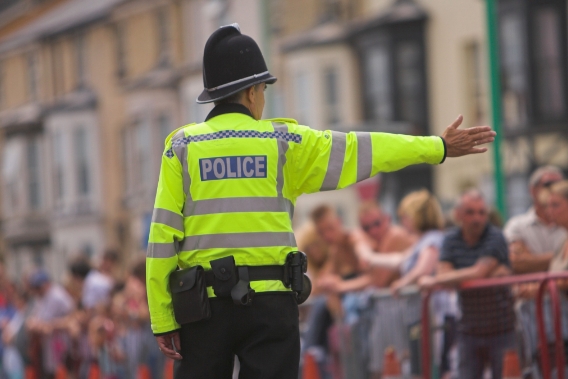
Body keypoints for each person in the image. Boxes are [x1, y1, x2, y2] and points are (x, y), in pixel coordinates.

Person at [146, 23, 496, 378]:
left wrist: (162, 318)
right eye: (263, 90)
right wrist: (437, 147)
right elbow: (367, 149)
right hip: (271, 304)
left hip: (203, 308)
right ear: (252, 92)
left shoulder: (182, 148)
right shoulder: (286, 144)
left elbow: (162, 240)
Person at [419, 190, 515, 379]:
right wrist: (482, 274)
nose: (477, 218)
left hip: (502, 329)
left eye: (481, 212)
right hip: (469, 330)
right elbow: (445, 272)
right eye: (470, 212)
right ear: (458, 215)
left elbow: (477, 272)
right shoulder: (451, 239)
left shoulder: (495, 236)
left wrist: (440, 279)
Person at [354, 190, 445, 294]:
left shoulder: (431, 239)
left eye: (404, 217)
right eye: (366, 228)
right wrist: (369, 256)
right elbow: (400, 260)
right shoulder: (423, 241)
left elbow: (424, 269)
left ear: (415, 217)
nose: (402, 222)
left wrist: (403, 283)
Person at [504, 166, 565, 274]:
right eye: (549, 184)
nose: (555, 189)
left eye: (561, 185)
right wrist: (560, 257)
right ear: (532, 190)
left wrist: (533, 260)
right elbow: (518, 263)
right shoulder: (517, 225)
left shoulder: (563, 225)